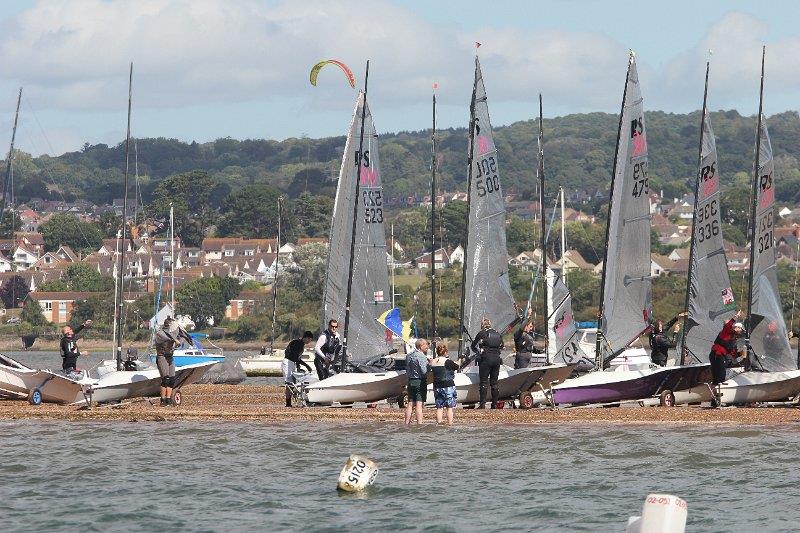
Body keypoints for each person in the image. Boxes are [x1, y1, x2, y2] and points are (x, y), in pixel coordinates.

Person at [154, 317, 193, 406]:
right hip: (162, 357)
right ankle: (163, 400)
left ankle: (168, 399)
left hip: (170, 357)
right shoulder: (160, 333)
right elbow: (167, 338)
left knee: (172, 379)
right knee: (165, 379)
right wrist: (175, 340)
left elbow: (180, 339)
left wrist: (182, 339)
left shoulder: (174, 334)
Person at [471, 318, 504, 409]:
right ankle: (494, 405)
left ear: (482, 325)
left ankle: (482, 404)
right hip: (497, 359)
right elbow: (502, 346)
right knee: (494, 383)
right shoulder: (498, 333)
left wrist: (478, 351)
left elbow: (473, 346)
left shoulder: (482, 333)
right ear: (490, 324)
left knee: (484, 382)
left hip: (486, 359)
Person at [709, 310, 746, 386]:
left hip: (720, 355)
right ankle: (718, 387)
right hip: (717, 354)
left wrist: (741, 353)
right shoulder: (726, 331)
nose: (740, 331)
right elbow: (727, 325)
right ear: (736, 327)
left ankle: (717, 388)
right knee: (720, 373)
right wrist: (736, 316)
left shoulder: (734, 340)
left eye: (741, 330)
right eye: (740, 329)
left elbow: (733, 354)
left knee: (720, 373)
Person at [283, 331, 315, 407]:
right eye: (310, 340)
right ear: (307, 338)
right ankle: (288, 403)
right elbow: (294, 356)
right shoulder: (298, 343)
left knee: (291, 382)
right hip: (288, 362)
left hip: (292, 362)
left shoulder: (299, 343)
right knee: (289, 383)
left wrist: (298, 366)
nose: (310, 342)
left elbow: (296, 358)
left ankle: (290, 402)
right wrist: (306, 365)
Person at [430, 342, 458, 425]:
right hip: (448, 385)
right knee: (449, 407)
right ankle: (450, 423)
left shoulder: (433, 362)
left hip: (437, 386)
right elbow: (457, 367)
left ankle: (439, 423)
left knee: (439, 407)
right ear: (445, 352)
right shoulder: (448, 361)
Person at [404, 338, 430, 425]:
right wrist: (429, 367)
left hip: (411, 381)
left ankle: (406, 423)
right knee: (419, 404)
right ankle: (419, 424)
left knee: (410, 404)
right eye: (426, 345)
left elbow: (407, 370)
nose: (427, 347)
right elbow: (424, 371)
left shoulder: (409, 356)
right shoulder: (422, 356)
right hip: (420, 381)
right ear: (421, 346)